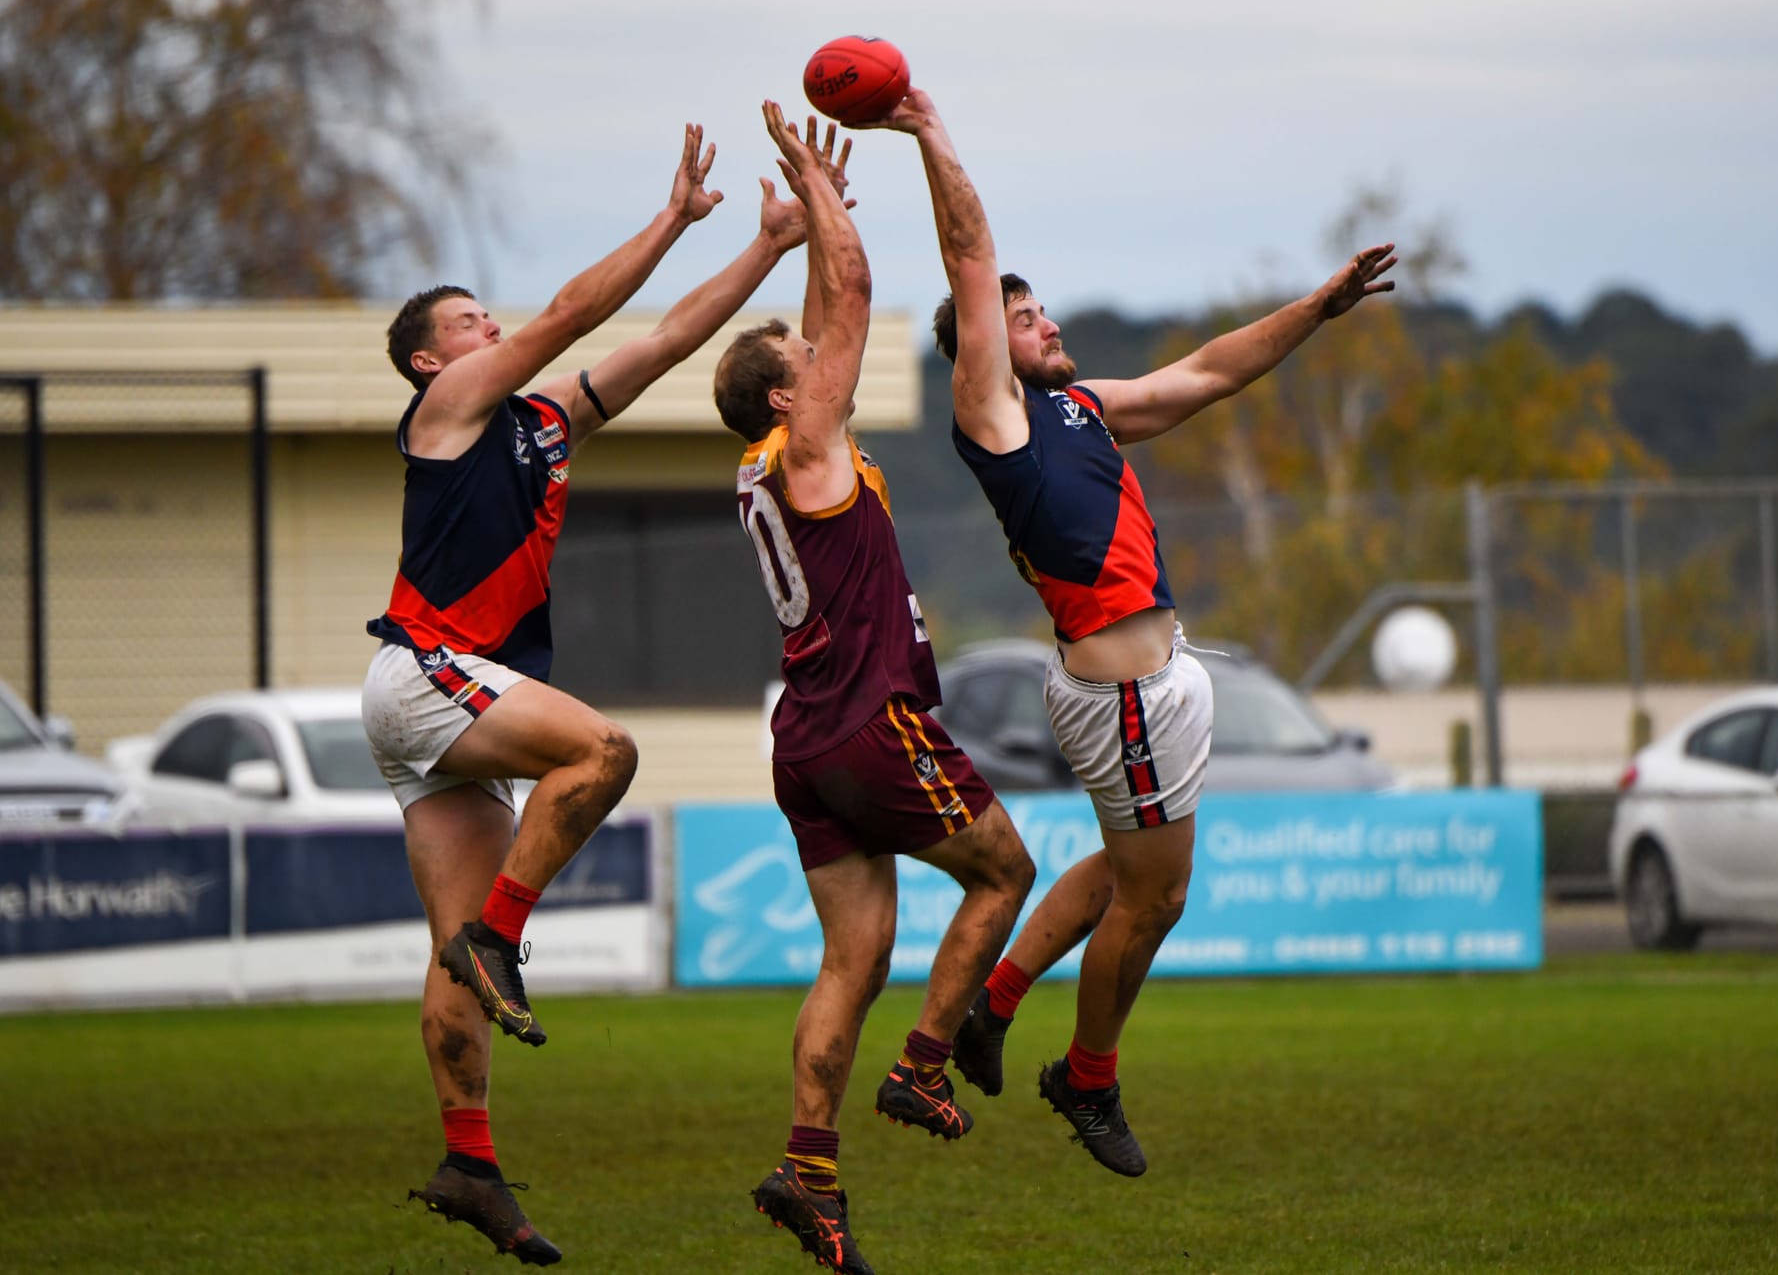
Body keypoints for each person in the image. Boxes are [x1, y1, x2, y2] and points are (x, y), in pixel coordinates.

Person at [878, 87, 1395, 1177]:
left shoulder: (1081, 406)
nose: (1045, 322)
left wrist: (1316, 307)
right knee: (1157, 898)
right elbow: (970, 259)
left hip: (1151, 679)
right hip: (1124, 694)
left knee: (1123, 874)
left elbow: (1208, 372)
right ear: (986, 350)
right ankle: (1087, 1077)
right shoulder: (995, 412)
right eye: (1025, 319)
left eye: (1041, 310)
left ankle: (994, 1005)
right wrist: (929, 131)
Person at [364, 123, 819, 1265]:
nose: (490, 327)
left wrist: (765, 248)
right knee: (603, 754)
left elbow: (667, 338)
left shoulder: (547, 419)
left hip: (436, 707)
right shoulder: (448, 413)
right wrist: (670, 217)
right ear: (433, 362)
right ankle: (502, 935)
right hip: (427, 673)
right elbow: (571, 313)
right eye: (468, 323)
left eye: (483, 317)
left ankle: (469, 1159)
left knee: (448, 972)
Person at [719, 103, 1034, 1275]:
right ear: (783, 403)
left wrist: (804, 232)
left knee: (851, 958)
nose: (826, 368)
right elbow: (848, 300)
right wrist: (824, 197)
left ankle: (808, 1169)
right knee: (1005, 872)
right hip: (870, 722)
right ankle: (921, 1065)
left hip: (803, 738)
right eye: (807, 372)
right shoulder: (805, 444)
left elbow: (818, 320)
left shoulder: (769, 458)